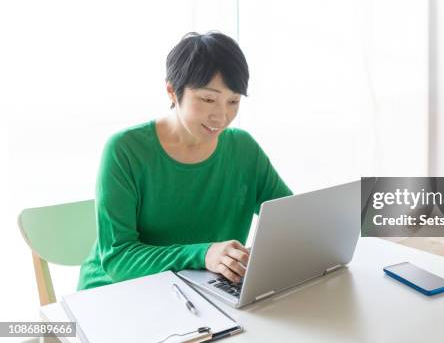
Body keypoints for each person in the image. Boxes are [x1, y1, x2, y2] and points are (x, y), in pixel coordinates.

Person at [78, 32, 292, 290]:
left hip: (198, 290)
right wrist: (203, 254)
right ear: (172, 91)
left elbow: (289, 220)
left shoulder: (243, 148)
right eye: (208, 99)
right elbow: (118, 259)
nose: (221, 116)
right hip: (115, 293)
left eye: (233, 101)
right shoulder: (125, 150)